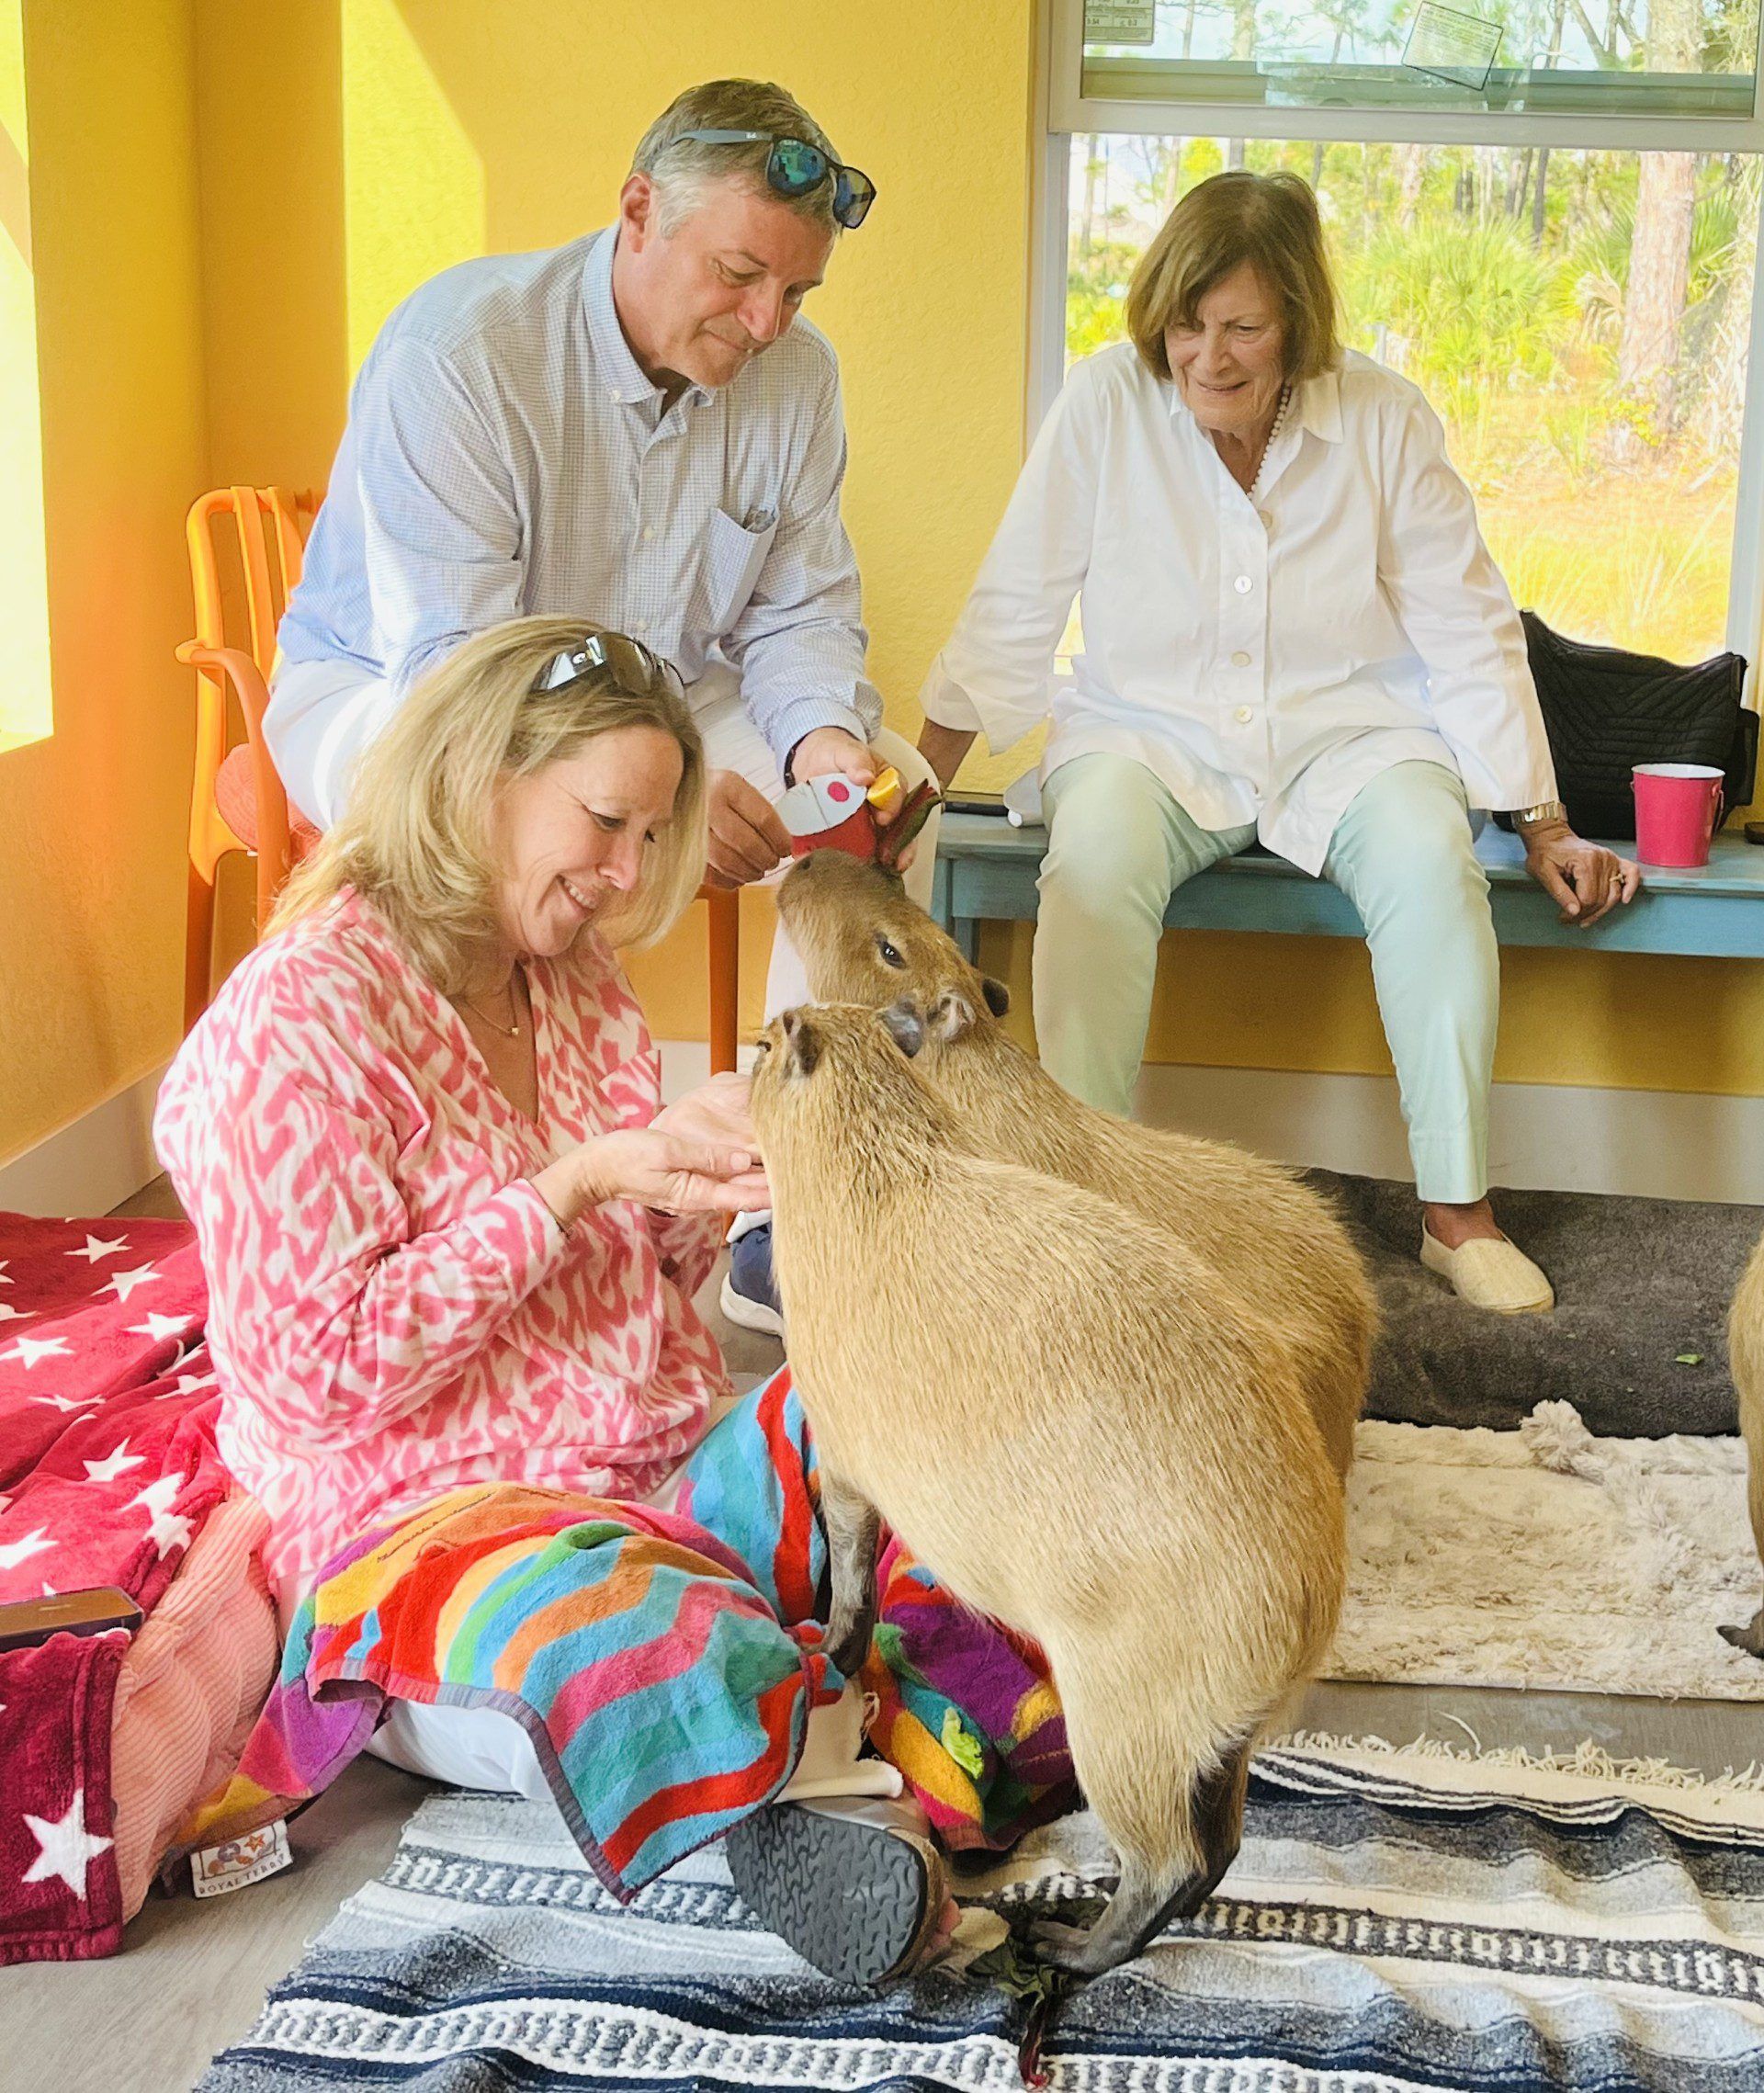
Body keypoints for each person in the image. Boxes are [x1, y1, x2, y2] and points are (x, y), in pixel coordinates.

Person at [158, 617, 982, 1986]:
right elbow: (315, 1374)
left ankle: (840, 1731)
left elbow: (630, 1296)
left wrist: (691, 1179)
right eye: (607, 823)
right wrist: (569, 1186)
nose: (630, 874)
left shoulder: (573, 979)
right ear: (478, 776)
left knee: (921, 1429)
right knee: (620, 1616)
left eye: (653, 836)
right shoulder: (295, 1025)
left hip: (651, 1472)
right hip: (430, 1538)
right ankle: (828, 1792)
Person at [259, 74, 941, 1336]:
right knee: (489, 821)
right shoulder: (460, 354)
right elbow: (463, 677)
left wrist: (825, 753)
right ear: (637, 213)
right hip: (405, 700)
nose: (768, 321)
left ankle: (784, 1209)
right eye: (740, 274)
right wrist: (662, 791)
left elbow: (798, 614)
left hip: (660, 698)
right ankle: (454, 1217)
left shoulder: (798, 379)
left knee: (877, 794)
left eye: (797, 291)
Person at [919, 170, 1639, 1315]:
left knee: (1432, 860)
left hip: (1348, 735)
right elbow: (1015, 603)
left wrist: (1543, 820)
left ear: (1298, 323)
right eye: (1186, 324)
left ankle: (1458, 1216)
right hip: (1146, 736)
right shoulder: (1106, 402)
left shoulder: (1384, 416)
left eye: (1243, 328)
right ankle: (1081, 1202)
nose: (1207, 356)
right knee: (1091, 864)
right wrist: (914, 794)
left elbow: (1465, 620)